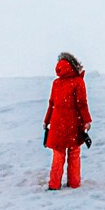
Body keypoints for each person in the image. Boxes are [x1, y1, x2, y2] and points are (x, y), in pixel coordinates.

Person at [43, 50, 91, 189]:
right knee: (74, 153)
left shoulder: (56, 83)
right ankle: (74, 183)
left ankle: (54, 184)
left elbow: (51, 104)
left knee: (58, 154)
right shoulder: (78, 82)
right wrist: (87, 120)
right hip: (73, 123)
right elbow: (82, 103)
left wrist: (46, 121)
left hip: (57, 124)